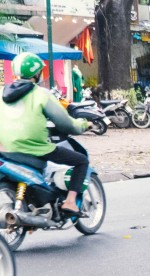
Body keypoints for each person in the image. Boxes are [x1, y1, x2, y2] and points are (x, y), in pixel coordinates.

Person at [0, 53, 92, 217]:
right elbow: (66, 124)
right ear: (36, 73)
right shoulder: (41, 94)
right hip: (36, 149)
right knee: (81, 161)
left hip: (7, 150)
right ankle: (70, 202)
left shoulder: (1, 93)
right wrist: (84, 125)